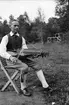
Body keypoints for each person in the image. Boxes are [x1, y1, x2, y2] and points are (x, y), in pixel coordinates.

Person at [0, 20, 52, 96]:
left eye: (18, 26)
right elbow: (1, 52)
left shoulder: (21, 38)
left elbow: (25, 51)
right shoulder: (6, 38)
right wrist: (10, 57)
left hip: (21, 58)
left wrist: (33, 55)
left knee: (37, 65)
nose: (17, 27)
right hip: (10, 60)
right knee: (25, 67)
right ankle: (23, 88)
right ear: (10, 26)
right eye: (14, 25)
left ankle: (45, 86)